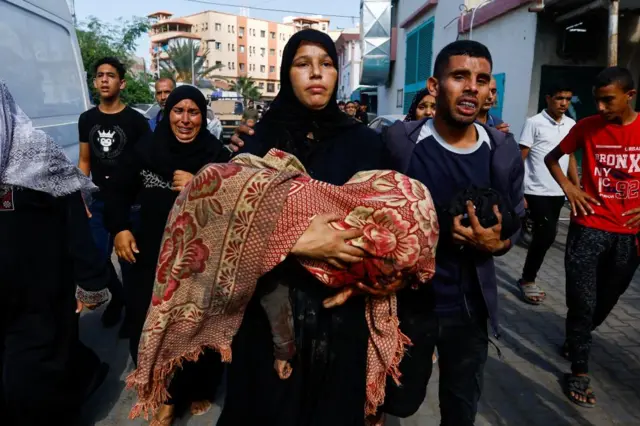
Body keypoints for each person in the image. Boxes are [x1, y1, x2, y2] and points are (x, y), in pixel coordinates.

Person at [217, 29, 399, 426]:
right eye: (303, 64)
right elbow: (228, 229)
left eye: (327, 64)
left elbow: (390, 223)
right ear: (287, 73)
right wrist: (296, 240)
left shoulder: (367, 144)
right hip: (268, 311)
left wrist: (367, 269)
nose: (316, 73)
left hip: (341, 312)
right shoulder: (258, 141)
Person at [379, 40, 525, 425]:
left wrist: (499, 244)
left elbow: (516, 220)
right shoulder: (400, 143)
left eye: (481, 79)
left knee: (460, 409)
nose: (472, 87)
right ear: (434, 86)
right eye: (460, 76)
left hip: (469, 306)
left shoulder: (502, 150)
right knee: (401, 402)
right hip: (410, 303)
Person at [105, 85, 229, 424]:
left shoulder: (217, 155)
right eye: (178, 111)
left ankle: (186, 392)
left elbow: (235, 205)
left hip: (198, 261)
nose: (185, 120)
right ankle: (159, 389)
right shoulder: (145, 149)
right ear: (167, 113)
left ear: (203, 117)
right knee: (146, 321)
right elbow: (115, 190)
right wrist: (120, 229)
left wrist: (202, 182)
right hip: (150, 255)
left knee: (192, 327)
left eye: (193, 112)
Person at [0, 80, 111, 425]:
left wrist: (89, 280)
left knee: (34, 381)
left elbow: (74, 218)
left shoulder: (37, 154)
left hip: (42, 292)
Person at [545, 66, 640, 408]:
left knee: (606, 300)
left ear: (629, 95)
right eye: (597, 100)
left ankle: (577, 337)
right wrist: (569, 186)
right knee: (582, 301)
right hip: (588, 228)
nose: (600, 108)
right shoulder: (586, 127)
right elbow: (551, 157)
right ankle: (579, 369)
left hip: (630, 236)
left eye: (608, 100)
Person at [77, 57, 151, 330]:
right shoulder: (87, 119)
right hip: (98, 200)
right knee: (96, 258)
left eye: (110, 75)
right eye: (99, 75)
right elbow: (84, 161)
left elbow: (146, 165)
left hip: (130, 204)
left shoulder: (136, 122)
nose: (104, 79)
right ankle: (117, 299)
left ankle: (133, 319)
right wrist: (80, 196)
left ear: (122, 82)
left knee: (129, 263)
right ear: (95, 82)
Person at [517, 84, 578, 305]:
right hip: (535, 190)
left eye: (568, 99)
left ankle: (527, 276)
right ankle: (527, 280)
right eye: (559, 98)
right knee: (548, 235)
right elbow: (520, 158)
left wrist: (575, 187)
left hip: (558, 192)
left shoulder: (571, 124)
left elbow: (570, 158)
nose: (564, 103)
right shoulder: (534, 123)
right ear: (548, 98)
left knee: (545, 236)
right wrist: (518, 191)